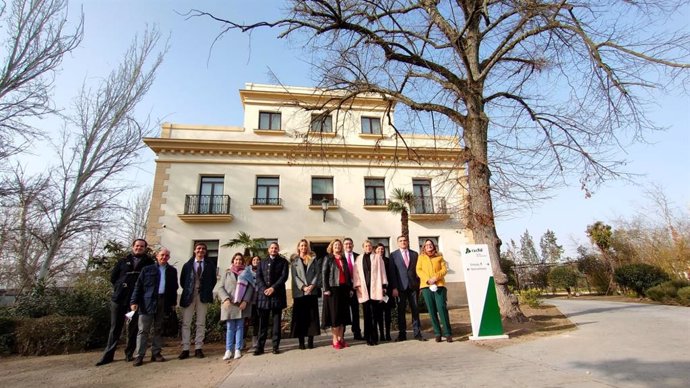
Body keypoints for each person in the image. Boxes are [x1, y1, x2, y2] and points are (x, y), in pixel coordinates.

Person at [96, 239, 154, 366]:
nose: (139, 248)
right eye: (137, 246)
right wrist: (120, 287)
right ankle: (108, 355)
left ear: (145, 248)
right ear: (133, 247)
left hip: (135, 303)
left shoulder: (149, 263)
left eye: (142, 246)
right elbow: (113, 277)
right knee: (115, 327)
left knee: (133, 328)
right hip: (119, 300)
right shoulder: (123, 261)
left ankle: (129, 354)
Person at [129, 247, 179, 366]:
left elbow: (174, 288)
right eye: (162, 255)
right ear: (157, 256)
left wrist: (173, 303)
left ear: (169, 257)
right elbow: (138, 286)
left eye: (166, 255)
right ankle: (139, 355)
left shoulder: (172, 271)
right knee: (143, 330)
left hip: (164, 301)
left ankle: (156, 353)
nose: (164, 257)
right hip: (147, 302)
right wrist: (133, 301)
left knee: (159, 328)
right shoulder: (147, 269)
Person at [179, 242, 217, 359]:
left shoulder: (210, 265)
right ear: (195, 250)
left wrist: (206, 290)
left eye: (203, 249)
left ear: (206, 251)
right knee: (186, 323)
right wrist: (190, 290)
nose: (201, 251)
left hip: (203, 296)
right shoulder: (188, 265)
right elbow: (183, 281)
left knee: (201, 322)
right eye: (198, 248)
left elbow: (213, 280)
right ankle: (185, 348)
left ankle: (198, 347)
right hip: (189, 295)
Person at [217, 253, 255, 360]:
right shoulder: (227, 273)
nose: (238, 261)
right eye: (236, 259)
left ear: (243, 262)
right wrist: (225, 299)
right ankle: (228, 350)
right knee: (230, 327)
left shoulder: (247, 273)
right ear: (233, 261)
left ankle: (238, 349)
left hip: (241, 304)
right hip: (230, 304)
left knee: (240, 327)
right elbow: (220, 287)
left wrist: (245, 301)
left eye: (240, 260)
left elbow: (250, 288)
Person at [254, 242, 289, 355]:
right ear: (268, 250)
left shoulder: (283, 262)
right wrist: (264, 288)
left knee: (276, 323)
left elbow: (284, 277)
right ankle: (260, 347)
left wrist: (273, 288)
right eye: (272, 248)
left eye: (276, 248)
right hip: (264, 295)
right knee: (263, 324)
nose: (274, 250)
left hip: (277, 295)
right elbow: (258, 277)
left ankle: (275, 346)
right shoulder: (262, 262)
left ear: (278, 250)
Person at [389, 235, 426, 341]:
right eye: (400, 241)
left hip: (413, 287)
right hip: (400, 287)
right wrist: (394, 288)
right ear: (398, 243)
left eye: (405, 240)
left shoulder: (414, 254)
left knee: (415, 310)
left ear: (408, 242)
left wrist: (420, 285)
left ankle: (417, 333)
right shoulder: (393, 255)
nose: (403, 242)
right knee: (401, 312)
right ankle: (402, 334)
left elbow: (419, 271)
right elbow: (392, 273)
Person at [416, 239, 452, 343]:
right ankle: (437, 333)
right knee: (431, 310)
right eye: (426, 245)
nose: (429, 246)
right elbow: (418, 270)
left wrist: (435, 278)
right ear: (424, 247)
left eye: (430, 244)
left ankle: (448, 333)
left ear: (434, 246)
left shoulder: (440, 256)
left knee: (441, 308)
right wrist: (428, 279)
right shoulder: (421, 257)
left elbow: (444, 269)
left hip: (439, 285)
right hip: (426, 286)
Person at [353, 241, 388, 346]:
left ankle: (374, 337)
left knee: (374, 314)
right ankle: (367, 337)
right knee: (366, 314)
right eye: (366, 246)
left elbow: (382, 271)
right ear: (363, 247)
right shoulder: (359, 259)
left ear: (372, 247)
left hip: (375, 288)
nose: (368, 247)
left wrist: (383, 286)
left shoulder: (377, 257)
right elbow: (356, 273)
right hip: (364, 289)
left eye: (369, 246)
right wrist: (357, 285)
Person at [289, 239, 322, 350]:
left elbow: (317, 274)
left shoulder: (313, 260)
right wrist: (303, 287)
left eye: (305, 246)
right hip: (300, 294)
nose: (303, 247)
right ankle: (301, 342)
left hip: (311, 293)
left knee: (311, 317)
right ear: (298, 247)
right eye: (301, 246)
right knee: (301, 318)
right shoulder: (294, 262)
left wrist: (312, 286)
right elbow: (295, 277)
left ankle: (311, 341)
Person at [321, 239, 352, 349]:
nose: (337, 246)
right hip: (333, 289)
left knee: (343, 315)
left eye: (339, 245)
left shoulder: (343, 259)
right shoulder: (328, 258)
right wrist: (326, 289)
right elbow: (324, 274)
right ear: (332, 247)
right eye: (335, 245)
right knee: (335, 316)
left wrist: (350, 288)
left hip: (343, 289)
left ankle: (341, 339)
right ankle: (334, 340)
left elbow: (347, 275)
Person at [342, 237, 362, 340]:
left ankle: (357, 333)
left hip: (355, 288)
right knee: (344, 312)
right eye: (346, 244)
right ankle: (342, 334)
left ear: (353, 245)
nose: (348, 246)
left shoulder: (358, 257)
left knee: (355, 312)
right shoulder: (340, 257)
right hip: (344, 289)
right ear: (343, 246)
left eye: (350, 244)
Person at [378, 244, 394, 342]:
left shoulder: (388, 261)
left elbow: (391, 275)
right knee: (379, 314)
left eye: (382, 249)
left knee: (387, 314)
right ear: (375, 251)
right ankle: (381, 334)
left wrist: (390, 288)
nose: (381, 250)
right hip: (377, 291)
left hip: (387, 291)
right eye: (378, 249)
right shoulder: (373, 261)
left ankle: (388, 334)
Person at [247, 255, 261, 351]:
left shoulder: (262, 270)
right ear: (251, 261)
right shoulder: (246, 271)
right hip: (248, 299)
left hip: (259, 299)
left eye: (258, 260)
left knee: (256, 321)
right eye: (254, 259)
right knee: (246, 321)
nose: (256, 261)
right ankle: (243, 339)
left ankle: (255, 339)